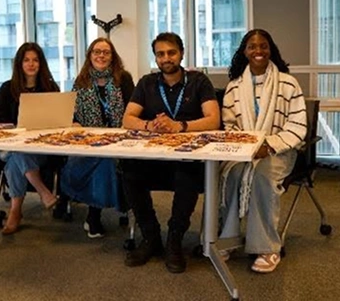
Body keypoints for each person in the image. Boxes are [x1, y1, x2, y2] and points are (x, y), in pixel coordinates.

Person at [121, 32, 220, 273]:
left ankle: (174, 239)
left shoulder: (198, 81)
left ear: (182, 53)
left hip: (187, 155)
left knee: (188, 171)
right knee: (128, 168)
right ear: (155, 57)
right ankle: (151, 236)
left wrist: (180, 126)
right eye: (160, 54)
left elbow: (214, 120)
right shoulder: (146, 83)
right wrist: (149, 125)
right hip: (155, 156)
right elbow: (128, 118)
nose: (166, 58)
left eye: (171, 52)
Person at [218, 29, 307, 273]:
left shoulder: (289, 84)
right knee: (229, 175)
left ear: (271, 49)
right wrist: (247, 146)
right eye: (252, 46)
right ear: (244, 52)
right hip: (244, 151)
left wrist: (268, 146)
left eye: (264, 46)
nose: (258, 51)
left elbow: (297, 127)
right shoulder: (234, 87)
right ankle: (227, 238)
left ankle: (267, 247)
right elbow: (229, 126)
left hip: (279, 151)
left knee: (262, 176)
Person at [60, 37, 135, 238]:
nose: (101, 55)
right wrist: (75, 122)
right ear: (90, 56)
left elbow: (133, 110)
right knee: (102, 158)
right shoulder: (81, 81)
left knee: (107, 158)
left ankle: (93, 214)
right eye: (96, 51)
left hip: (120, 140)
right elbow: (71, 113)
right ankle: (101, 209)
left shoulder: (123, 79)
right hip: (88, 141)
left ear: (113, 57)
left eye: (106, 52)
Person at [0, 42, 62, 235]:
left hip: (39, 148)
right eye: (26, 60)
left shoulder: (50, 88)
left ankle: (15, 211)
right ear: (19, 64)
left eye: (35, 60)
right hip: (10, 145)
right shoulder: (6, 90)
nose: (31, 64)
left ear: (41, 63)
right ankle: (43, 191)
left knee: (16, 160)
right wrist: (16, 129)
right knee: (17, 151)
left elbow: (58, 120)